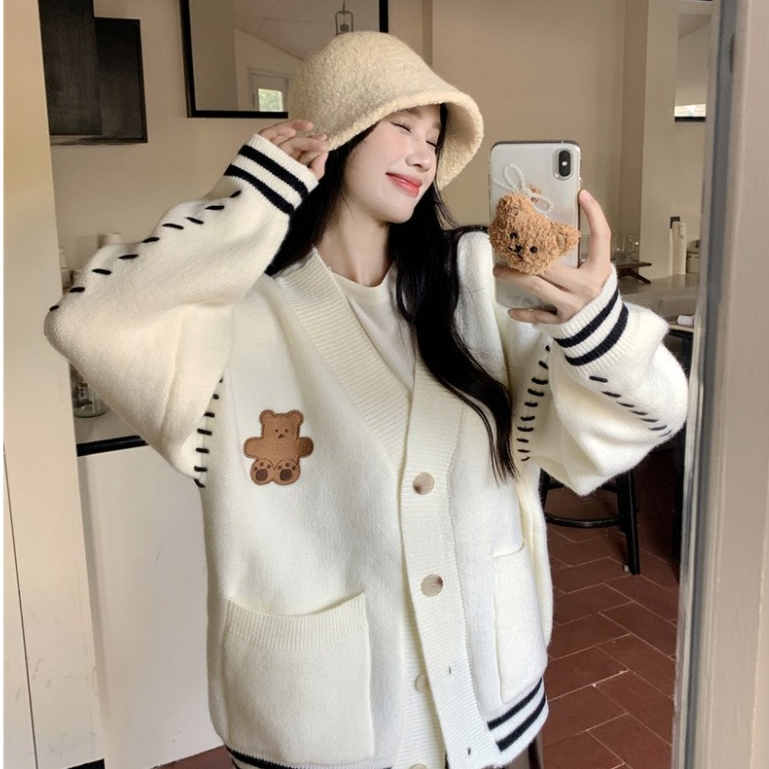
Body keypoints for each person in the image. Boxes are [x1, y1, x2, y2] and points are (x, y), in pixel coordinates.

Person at [45, 31, 688, 769]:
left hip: (488, 693)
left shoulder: (476, 280)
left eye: (434, 137)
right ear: (333, 134)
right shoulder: (238, 319)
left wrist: (595, 326)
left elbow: (653, 411)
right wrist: (255, 197)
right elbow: (88, 322)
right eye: (401, 126)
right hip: (324, 725)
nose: (422, 154)